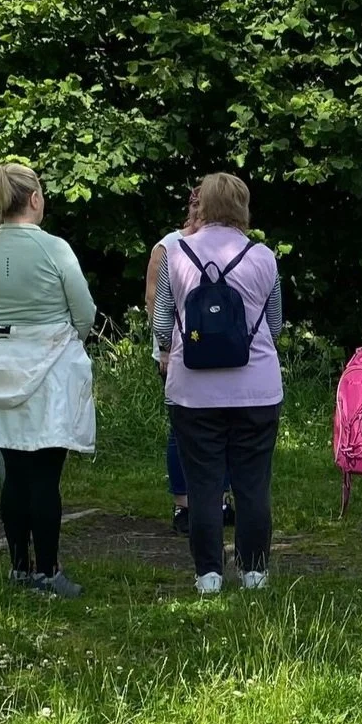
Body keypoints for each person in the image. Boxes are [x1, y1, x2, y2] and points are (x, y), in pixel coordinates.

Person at [151, 173, 284, 594]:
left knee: (204, 483)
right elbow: (275, 325)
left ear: (203, 203)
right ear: (243, 206)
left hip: (193, 391)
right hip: (257, 389)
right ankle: (254, 572)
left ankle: (208, 574)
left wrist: (170, 349)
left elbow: (161, 323)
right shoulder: (263, 256)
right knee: (252, 482)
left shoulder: (177, 252)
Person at [0, 163, 96, 598]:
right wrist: (61, 344)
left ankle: (19, 567)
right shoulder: (53, 248)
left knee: (15, 475)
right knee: (44, 477)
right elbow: (85, 313)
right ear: (36, 199)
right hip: (48, 369)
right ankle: (48, 572)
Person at [144, 187, 231, 535]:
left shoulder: (222, 245)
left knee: (224, 425)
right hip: (178, 351)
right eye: (195, 208)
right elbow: (155, 302)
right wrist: (165, 350)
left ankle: (219, 499)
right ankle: (183, 503)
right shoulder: (167, 246)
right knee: (181, 431)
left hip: (218, 350)